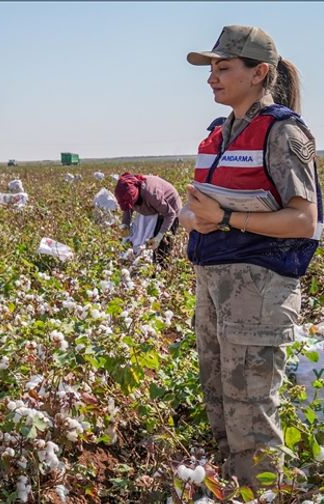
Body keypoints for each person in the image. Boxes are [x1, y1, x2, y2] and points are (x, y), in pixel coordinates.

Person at [180, 25, 322, 488]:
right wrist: (196, 218)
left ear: (260, 73)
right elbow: (207, 207)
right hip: (215, 286)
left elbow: (304, 221)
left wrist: (224, 219)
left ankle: (261, 494)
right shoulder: (219, 134)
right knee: (221, 403)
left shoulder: (283, 133)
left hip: (258, 292)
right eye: (212, 69)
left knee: (252, 415)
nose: (212, 79)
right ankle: (235, 492)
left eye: (223, 68)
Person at [115, 173, 182, 267]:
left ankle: (161, 275)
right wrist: (124, 229)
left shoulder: (151, 193)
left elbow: (170, 214)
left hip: (169, 212)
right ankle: (148, 272)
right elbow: (127, 210)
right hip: (152, 211)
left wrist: (159, 237)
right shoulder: (127, 193)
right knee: (144, 245)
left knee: (161, 251)